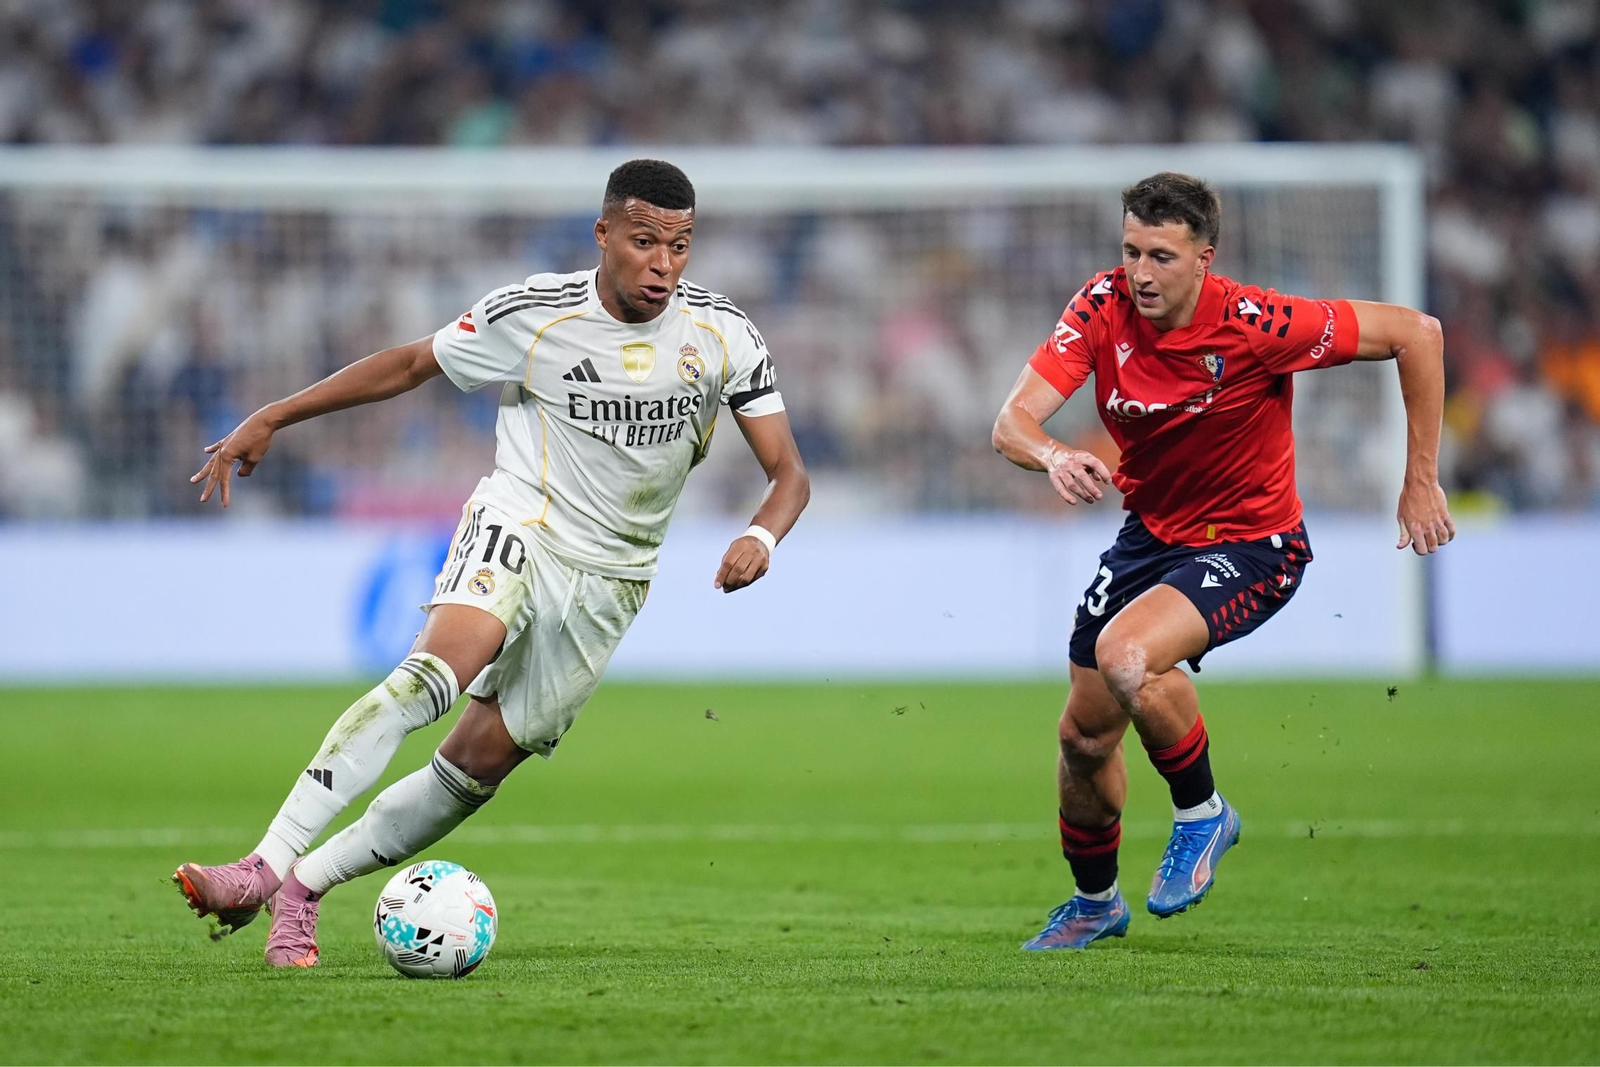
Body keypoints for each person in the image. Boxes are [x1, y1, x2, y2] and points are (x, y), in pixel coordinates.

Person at [172, 159, 809, 967]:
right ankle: (258, 867)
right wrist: (275, 414)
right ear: (603, 234)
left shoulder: (723, 334)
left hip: (613, 579)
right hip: (523, 524)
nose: (663, 264)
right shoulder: (534, 314)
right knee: (426, 677)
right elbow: (409, 365)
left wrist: (762, 535)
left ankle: (304, 887)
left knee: (474, 767)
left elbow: (790, 472)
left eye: (680, 246)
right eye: (645, 241)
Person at [992, 172, 1454, 950]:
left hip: (1252, 544)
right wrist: (1054, 454)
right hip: (1150, 537)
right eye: (1132, 250)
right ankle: (1095, 901)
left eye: (1162, 256)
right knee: (1081, 738)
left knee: (1128, 656)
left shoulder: (1257, 321)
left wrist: (1418, 478)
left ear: (1204, 257)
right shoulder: (1101, 305)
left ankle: (1203, 812)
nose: (1140, 272)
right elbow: (1012, 421)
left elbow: (1420, 333)